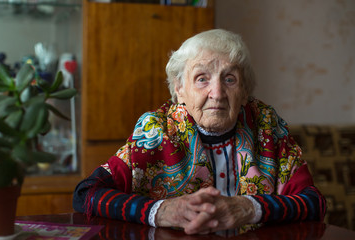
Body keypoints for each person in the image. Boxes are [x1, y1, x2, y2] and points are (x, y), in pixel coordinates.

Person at [73, 29, 326, 235]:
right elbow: (87, 194)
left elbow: (314, 202)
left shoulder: (268, 126)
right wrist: (160, 211)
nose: (216, 93)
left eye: (229, 79)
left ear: (245, 90)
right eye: (202, 78)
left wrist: (251, 208)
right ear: (180, 88)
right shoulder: (156, 130)